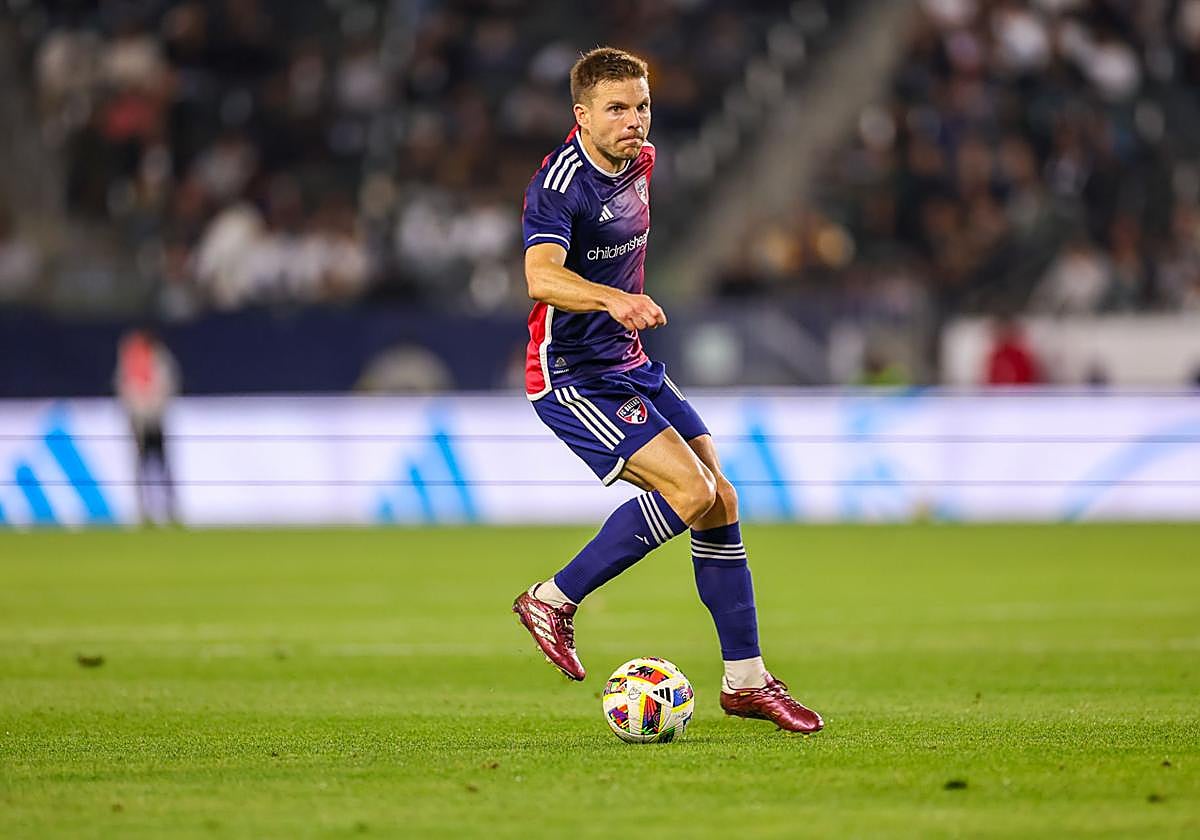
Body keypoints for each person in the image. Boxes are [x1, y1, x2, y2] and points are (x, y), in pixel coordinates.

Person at [511, 47, 822, 734]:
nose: (633, 120)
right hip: (572, 376)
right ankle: (552, 600)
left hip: (629, 360)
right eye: (617, 109)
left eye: (642, 106)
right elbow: (540, 278)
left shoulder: (640, 162)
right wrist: (611, 302)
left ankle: (745, 682)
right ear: (582, 115)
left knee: (719, 498)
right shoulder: (561, 184)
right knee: (688, 492)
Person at [114, 328, 180, 525]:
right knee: (140, 465)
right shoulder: (130, 359)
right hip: (138, 419)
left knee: (162, 463)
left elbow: (168, 383)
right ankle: (143, 510)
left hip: (155, 418)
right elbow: (123, 386)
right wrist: (134, 407)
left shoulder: (159, 358)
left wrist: (155, 406)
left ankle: (170, 508)